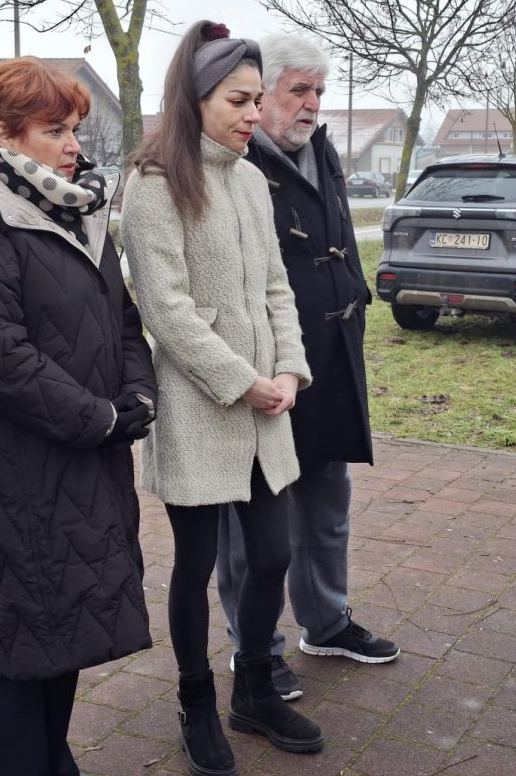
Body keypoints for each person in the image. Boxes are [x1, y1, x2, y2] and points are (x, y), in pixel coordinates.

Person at [0, 56, 156, 776]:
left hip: (87, 455)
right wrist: (97, 417)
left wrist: (137, 395)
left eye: (74, 130)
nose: (72, 146)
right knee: (20, 636)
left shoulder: (76, 212)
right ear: (2, 133)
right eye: (54, 130)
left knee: (70, 623)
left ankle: (49, 758)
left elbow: (122, 319)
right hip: (15, 465)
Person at [121, 20, 322, 776]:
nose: (252, 113)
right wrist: (243, 381)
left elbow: (276, 286)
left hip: (268, 405)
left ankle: (255, 688)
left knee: (272, 553)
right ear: (196, 98)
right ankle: (195, 702)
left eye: (255, 99)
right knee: (196, 563)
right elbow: (164, 309)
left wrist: (290, 370)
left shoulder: (249, 180)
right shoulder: (153, 184)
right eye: (238, 100)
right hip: (200, 407)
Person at [215, 35, 395, 701]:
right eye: (298, 90)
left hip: (331, 356)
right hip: (264, 370)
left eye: (318, 91)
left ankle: (327, 620)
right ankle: (254, 647)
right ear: (261, 96)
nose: (312, 104)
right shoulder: (233, 160)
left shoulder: (322, 150)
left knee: (327, 499)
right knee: (251, 521)